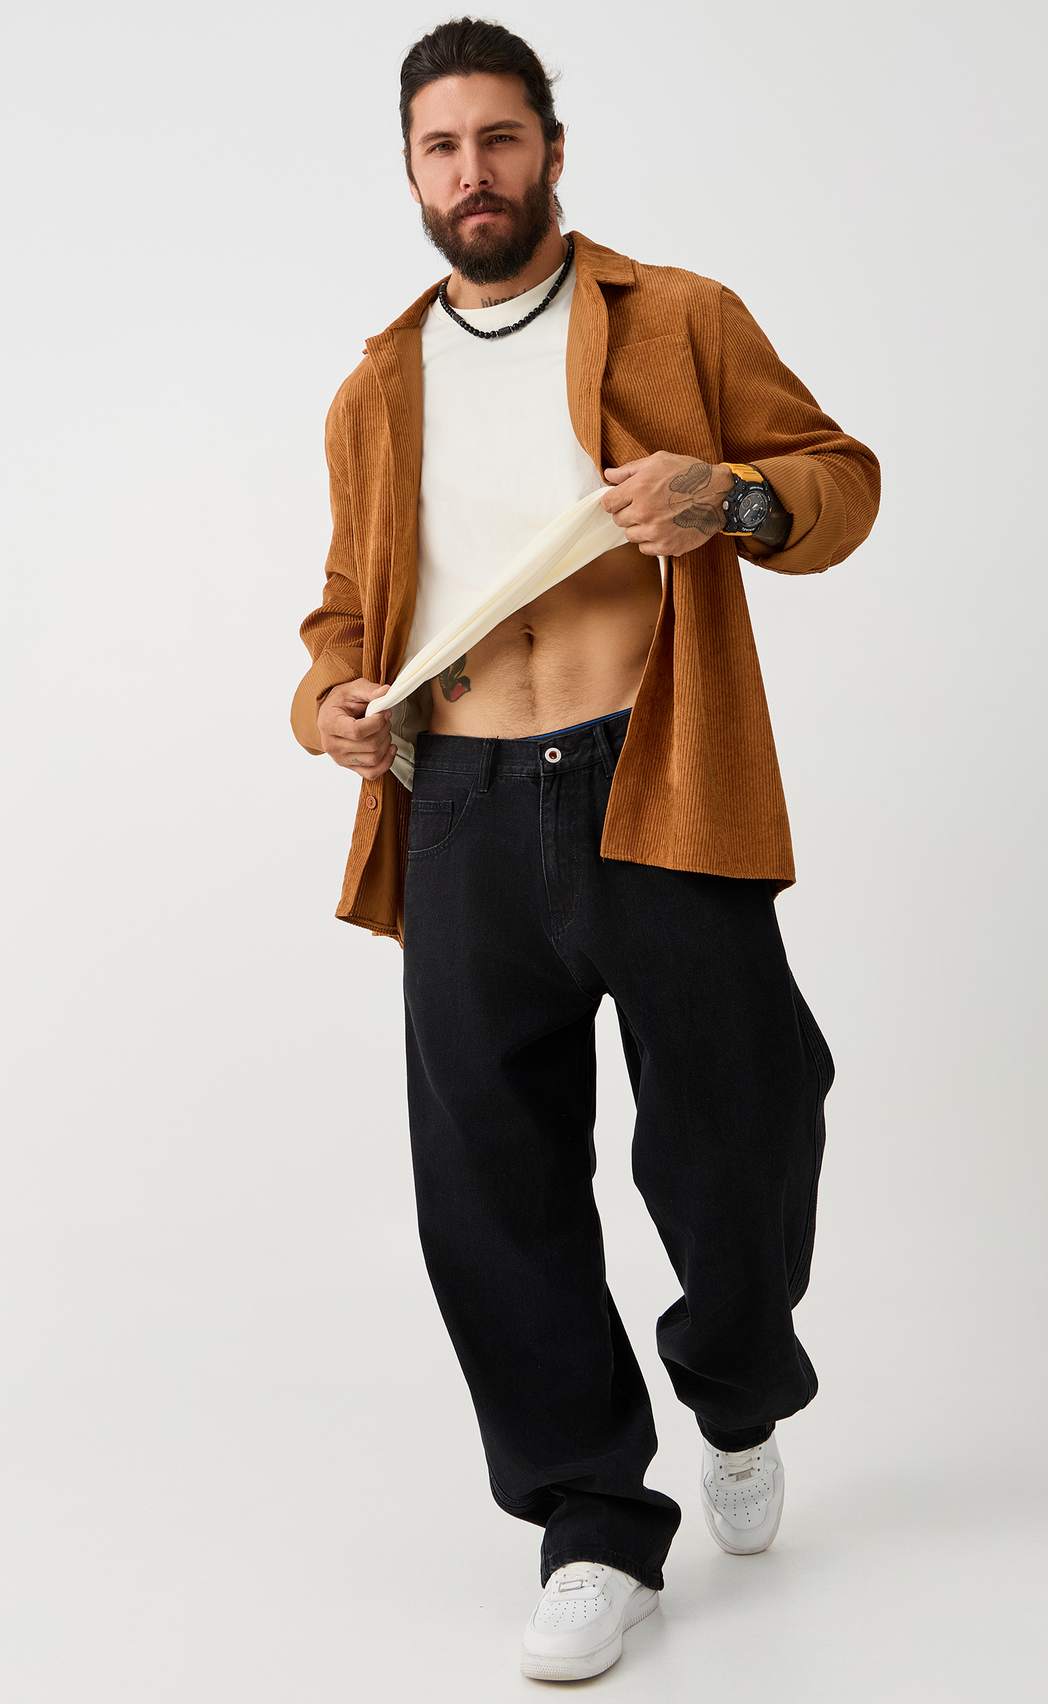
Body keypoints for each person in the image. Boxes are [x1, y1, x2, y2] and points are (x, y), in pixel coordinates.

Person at [290, 18, 879, 1685]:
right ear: (411, 173)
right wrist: (327, 703)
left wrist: (730, 499)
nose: (471, 172)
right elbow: (343, 611)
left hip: (654, 777)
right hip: (462, 805)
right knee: (492, 1184)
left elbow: (837, 482)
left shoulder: (679, 316)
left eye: (499, 138)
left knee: (749, 1121)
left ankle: (737, 1389)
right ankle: (594, 1525)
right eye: (440, 148)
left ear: (551, 147)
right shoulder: (376, 388)